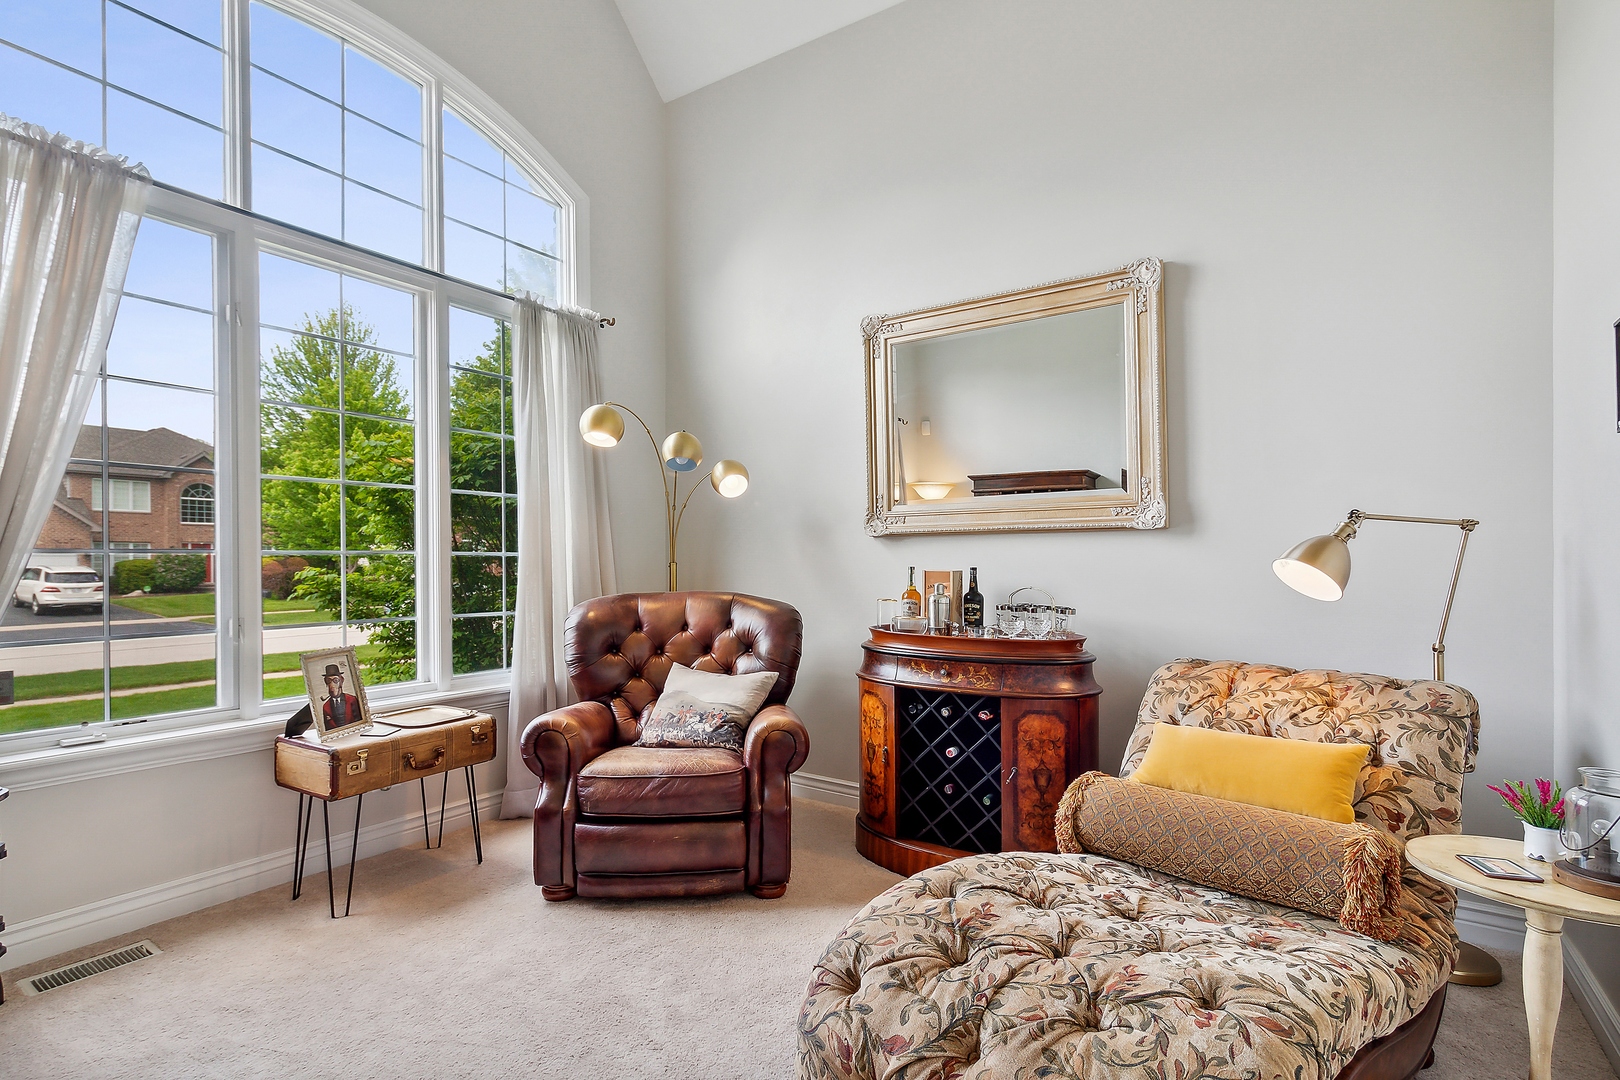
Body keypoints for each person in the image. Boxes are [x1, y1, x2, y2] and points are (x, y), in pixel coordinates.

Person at [320, 663, 363, 730]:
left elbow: (359, 721)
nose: (332, 685)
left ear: (341, 680)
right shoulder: (326, 706)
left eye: (335, 680)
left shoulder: (351, 699)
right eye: (329, 681)